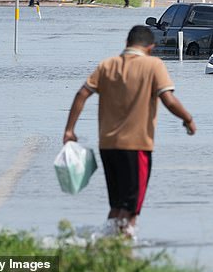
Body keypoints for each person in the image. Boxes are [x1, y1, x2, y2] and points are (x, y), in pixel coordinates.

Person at [62, 25, 197, 239]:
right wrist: (188, 119)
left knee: (117, 205)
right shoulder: (154, 65)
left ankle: (106, 246)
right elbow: (168, 100)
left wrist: (69, 130)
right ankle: (125, 251)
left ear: (126, 43)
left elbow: (82, 94)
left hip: (107, 146)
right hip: (137, 147)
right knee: (131, 209)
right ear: (151, 48)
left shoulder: (107, 65)